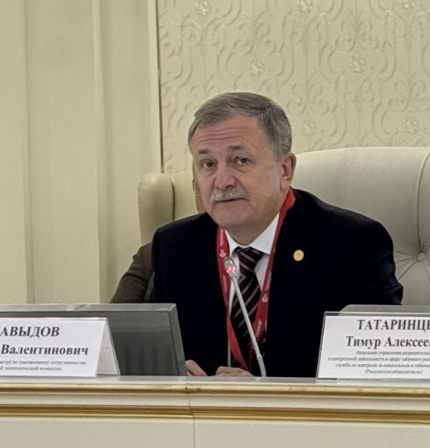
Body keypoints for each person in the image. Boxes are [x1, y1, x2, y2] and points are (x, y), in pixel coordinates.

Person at [151, 92, 402, 377]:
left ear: (285, 170)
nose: (222, 181)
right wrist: (170, 376)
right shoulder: (175, 246)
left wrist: (265, 394)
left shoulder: (352, 244)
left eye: (240, 160)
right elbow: (143, 356)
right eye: (208, 164)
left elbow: (373, 372)